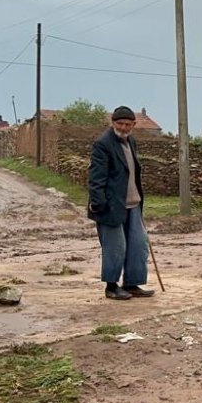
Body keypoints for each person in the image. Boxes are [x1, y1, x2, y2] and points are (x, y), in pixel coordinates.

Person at [87, 106, 155, 300]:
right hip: (110, 206)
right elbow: (96, 177)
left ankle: (132, 284)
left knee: (138, 245)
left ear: (133, 124)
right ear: (113, 123)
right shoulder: (103, 144)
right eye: (120, 124)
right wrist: (98, 204)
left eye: (128, 124)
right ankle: (111, 286)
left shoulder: (130, 141)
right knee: (116, 248)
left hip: (133, 204)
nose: (124, 128)